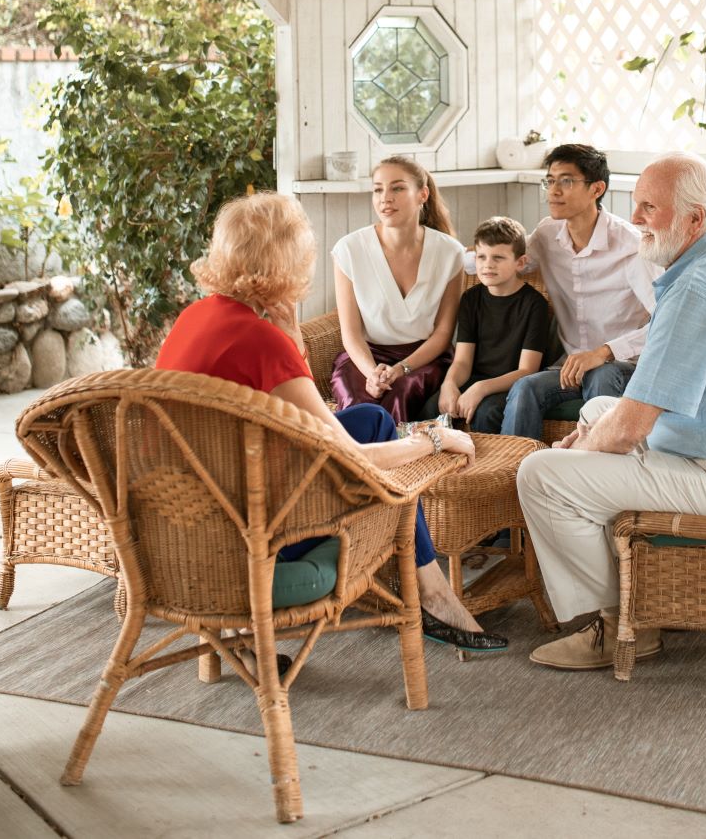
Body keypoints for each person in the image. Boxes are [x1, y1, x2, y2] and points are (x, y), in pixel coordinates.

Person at [155, 191, 507, 654]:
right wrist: (434, 439)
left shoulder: (195, 317)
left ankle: (428, 592)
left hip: (188, 525)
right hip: (259, 537)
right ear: (289, 259)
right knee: (389, 471)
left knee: (372, 418)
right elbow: (352, 457)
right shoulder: (260, 343)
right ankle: (434, 595)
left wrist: (294, 341)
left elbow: (292, 413)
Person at [517, 152, 706, 670]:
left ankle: (624, 622)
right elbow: (627, 415)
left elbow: (628, 431)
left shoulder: (698, 287)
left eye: (651, 207)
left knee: (541, 474)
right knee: (597, 407)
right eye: (636, 204)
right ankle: (633, 585)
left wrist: (580, 450)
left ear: (695, 219)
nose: (636, 219)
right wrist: (590, 441)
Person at [498, 143, 662, 441]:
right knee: (525, 389)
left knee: (602, 375)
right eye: (550, 180)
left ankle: (594, 478)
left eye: (566, 181)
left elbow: (666, 321)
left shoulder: (631, 246)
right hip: (569, 367)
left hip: (624, 367)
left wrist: (603, 352)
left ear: (596, 189)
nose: (554, 190)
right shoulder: (548, 235)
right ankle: (516, 479)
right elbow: (510, 261)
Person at [331, 156, 464, 422]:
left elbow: (443, 333)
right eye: (378, 189)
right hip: (365, 357)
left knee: (399, 393)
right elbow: (351, 333)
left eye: (397, 188)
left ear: (422, 194)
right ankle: (358, 463)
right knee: (360, 405)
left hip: (424, 360)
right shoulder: (349, 250)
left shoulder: (450, 253)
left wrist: (402, 369)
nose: (385, 198)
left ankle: (398, 462)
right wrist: (371, 373)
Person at [420, 216, 549, 434]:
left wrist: (481, 388)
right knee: (432, 406)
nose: (488, 264)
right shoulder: (470, 299)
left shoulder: (535, 304)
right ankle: (440, 465)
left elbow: (527, 370)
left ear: (520, 262)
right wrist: (449, 384)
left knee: (486, 412)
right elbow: (462, 361)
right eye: (481, 257)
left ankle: (488, 467)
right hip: (473, 377)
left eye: (498, 257)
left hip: (510, 384)